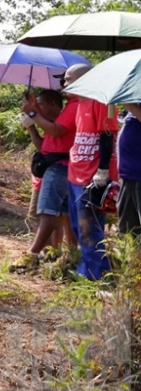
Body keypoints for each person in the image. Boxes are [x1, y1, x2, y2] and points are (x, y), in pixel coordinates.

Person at [63, 63, 119, 280]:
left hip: (91, 177)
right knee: (78, 225)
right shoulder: (80, 103)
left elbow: (106, 136)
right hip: (75, 173)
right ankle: (93, 268)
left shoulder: (102, 102)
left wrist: (103, 170)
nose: (65, 84)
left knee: (90, 228)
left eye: (69, 79)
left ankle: (96, 275)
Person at [14, 87, 77, 271]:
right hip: (59, 167)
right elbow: (44, 145)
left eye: (41, 104)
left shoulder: (68, 112)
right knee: (64, 214)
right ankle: (70, 254)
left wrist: (32, 112)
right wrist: (31, 123)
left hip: (60, 167)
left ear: (52, 104)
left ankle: (32, 255)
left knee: (48, 213)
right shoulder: (56, 118)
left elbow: (56, 132)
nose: (66, 84)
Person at [118, 103, 141, 237]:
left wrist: (127, 102)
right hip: (129, 175)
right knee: (128, 231)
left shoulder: (133, 105)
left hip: (139, 174)